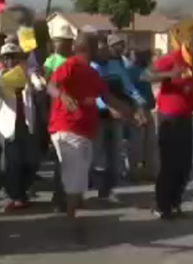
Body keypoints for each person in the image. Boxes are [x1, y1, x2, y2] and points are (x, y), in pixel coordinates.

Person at [47, 32, 136, 241]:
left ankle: (72, 215)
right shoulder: (71, 65)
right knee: (74, 178)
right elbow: (51, 85)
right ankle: (72, 224)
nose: (103, 49)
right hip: (67, 129)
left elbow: (108, 98)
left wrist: (131, 112)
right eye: (99, 46)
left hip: (85, 131)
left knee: (78, 177)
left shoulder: (93, 74)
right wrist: (62, 95)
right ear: (90, 48)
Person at [146, 32, 193, 219]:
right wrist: (169, 74)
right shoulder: (173, 58)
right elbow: (146, 75)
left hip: (186, 116)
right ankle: (162, 206)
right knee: (169, 164)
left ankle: (175, 202)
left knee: (184, 165)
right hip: (168, 117)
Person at [91, 35, 147, 202]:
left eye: (105, 50)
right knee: (98, 155)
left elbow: (129, 87)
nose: (103, 53)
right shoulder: (91, 67)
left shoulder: (116, 65)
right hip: (98, 117)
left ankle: (110, 189)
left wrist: (139, 103)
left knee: (115, 153)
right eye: (100, 50)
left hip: (117, 116)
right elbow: (94, 94)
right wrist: (108, 108)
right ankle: (99, 190)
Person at [0, 43, 36, 211]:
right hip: (7, 125)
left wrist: (31, 77)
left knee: (31, 161)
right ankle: (14, 196)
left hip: (26, 123)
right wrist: (0, 82)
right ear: (3, 60)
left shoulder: (27, 72)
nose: (11, 60)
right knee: (12, 162)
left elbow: (39, 86)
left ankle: (22, 192)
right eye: (7, 57)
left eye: (14, 57)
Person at [126, 49, 158, 181]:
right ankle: (135, 172)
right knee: (138, 143)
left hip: (146, 109)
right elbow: (153, 76)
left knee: (147, 143)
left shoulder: (139, 70)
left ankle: (146, 171)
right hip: (138, 110)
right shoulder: (134, 70)